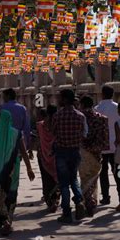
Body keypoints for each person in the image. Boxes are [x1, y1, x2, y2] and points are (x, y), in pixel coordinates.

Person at [0, 109, 35, 235]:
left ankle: (1, 219)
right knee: (10, 193)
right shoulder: (17, 133)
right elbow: (23, 152)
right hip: (12, 169)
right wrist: (29, 168)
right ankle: (7, 220)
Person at [52, 88, 86, 223]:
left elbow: (53, 132)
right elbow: (83, 134)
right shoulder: (80, 116)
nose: (58, 100)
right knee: (74, 179)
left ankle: (66, 212)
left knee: (64, 183)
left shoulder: (57, 116)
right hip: (75, 151)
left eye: (60, 97)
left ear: (65, 99)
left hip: (61, 152)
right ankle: (79, 202)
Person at [79, 96, 109, 217]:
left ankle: (87, 201)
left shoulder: (80, 117)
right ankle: (91, 201)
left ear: (82, 104)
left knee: (84, 178)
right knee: (93, 178)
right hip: (96, 153)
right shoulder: (102, 118)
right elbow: (105, 137)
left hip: (83, 151)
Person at [94, 85, 119, 205]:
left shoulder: (97, 109)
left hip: (102, 147)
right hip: (116, 146)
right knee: (119, 170)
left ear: (102, 94)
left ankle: (106, 196)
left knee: (103, 173)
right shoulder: (118, 108)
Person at [36, 105, 60, 212]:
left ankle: (50, 201)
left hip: (43, 156)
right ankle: (56, 199)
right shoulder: (59, 125)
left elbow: (37, 140)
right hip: (56, 156)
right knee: (57, 179)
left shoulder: (40, 125)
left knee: (46, 179)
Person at [0, 88, 32, 154]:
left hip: (5, 142)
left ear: (8, 96)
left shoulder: (2, 108)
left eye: (4, 97)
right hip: (18, 141)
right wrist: (28, 143)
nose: (3, 99)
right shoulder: (22, 108)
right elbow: (26, 127)